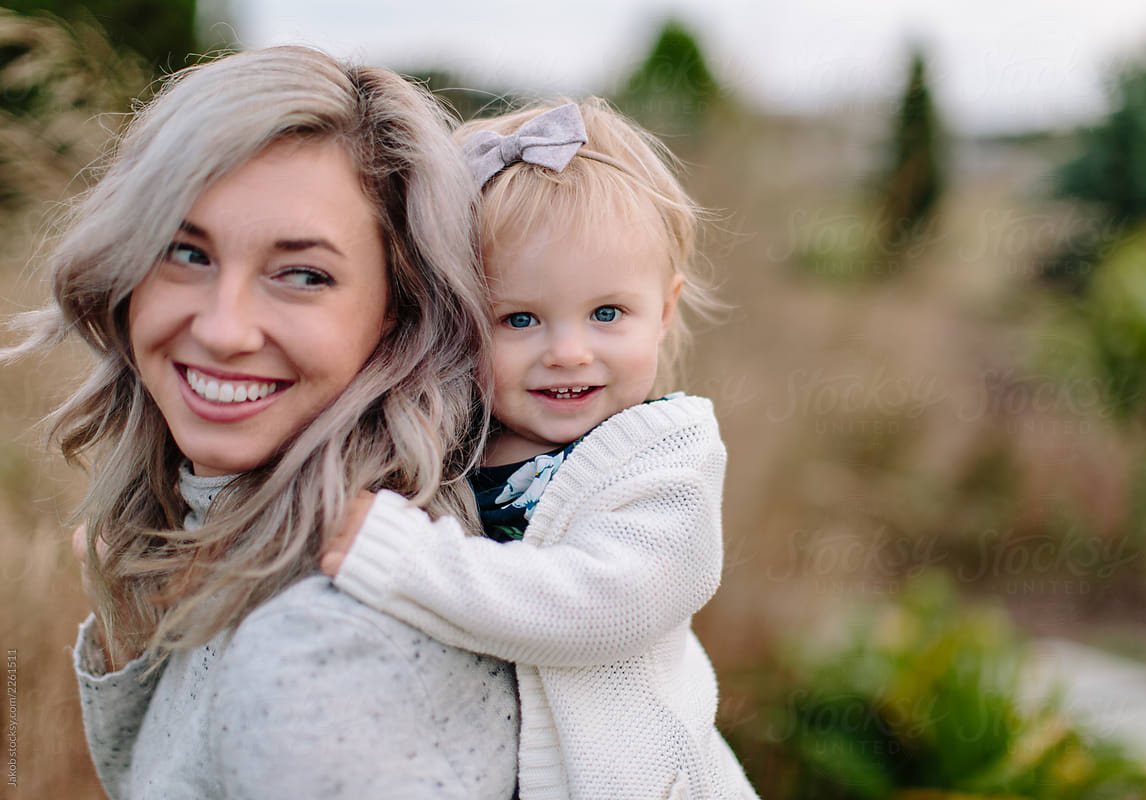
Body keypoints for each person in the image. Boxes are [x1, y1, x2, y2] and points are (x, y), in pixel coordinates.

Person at [8, 46, 518, 798]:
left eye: (302, 274)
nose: (223, 329)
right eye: (186, 251)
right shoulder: (207, 547)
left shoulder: (325, 645)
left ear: (398, 314)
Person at [321, 100, 759, 799]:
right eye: (519, 318)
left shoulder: (666, 466)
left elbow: (600, 605)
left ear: (666, 310)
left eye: (607, 313)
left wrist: (402, 559)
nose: (570, 352)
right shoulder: (448, 444)